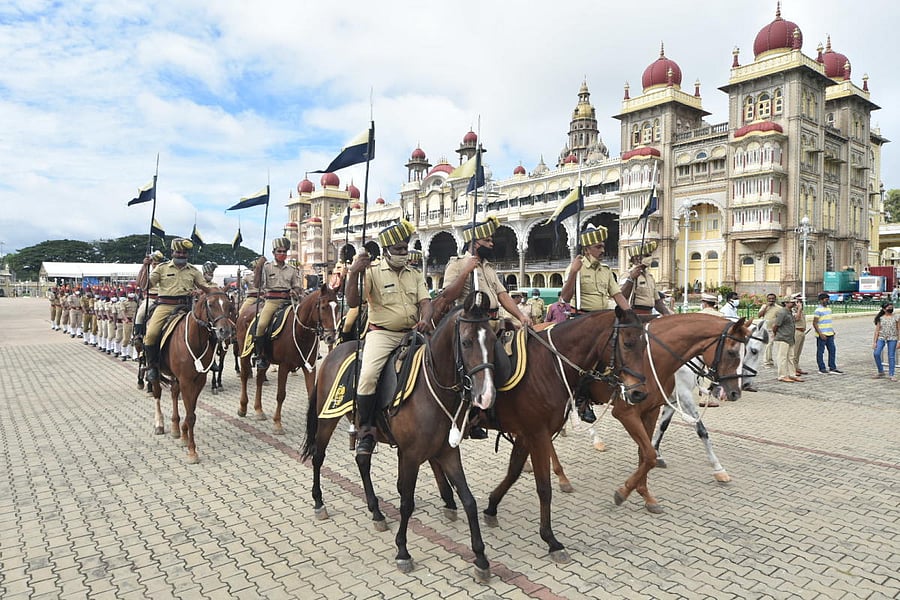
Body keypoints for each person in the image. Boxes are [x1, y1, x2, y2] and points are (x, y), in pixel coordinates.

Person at [346, 219, 432, 455]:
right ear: (386, 252)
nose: (403, 253)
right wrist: (354, 272)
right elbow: (353, 302)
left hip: (413, 333)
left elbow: (426, 302)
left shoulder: (414, 274)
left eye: (405, 249)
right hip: (382, 335)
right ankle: (366, 430)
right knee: (368, 376)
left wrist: (425, 318)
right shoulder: (371, 273)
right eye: (398, 250)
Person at [560, 224, 631, 423]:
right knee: (584, 363)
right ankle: (582, 401)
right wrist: (574, 272)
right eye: (598, 247)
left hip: (603, 321)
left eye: (602, 246)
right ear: (587, 248)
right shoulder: (577, 267)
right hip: (581, 320)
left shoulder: (606, 271)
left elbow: (617, 295)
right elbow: (565, 297)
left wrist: (630, 315)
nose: (602, 250)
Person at [442, 215, 532, 331]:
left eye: (491, 240)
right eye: (487, 240)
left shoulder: (488, 267)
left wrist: (521, 316)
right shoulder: (457, 264)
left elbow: (502, 295)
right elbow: (448, 297)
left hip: (494, 323)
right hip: (473, 326)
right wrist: (465, 272)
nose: (491, 244)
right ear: (474, 243)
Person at [142, 238, 213, 383]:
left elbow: (205, 287)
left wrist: (200, 292)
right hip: (165, 306)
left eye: (184, 252)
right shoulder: (162, 268)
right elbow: (145, 285)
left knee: (210, 329)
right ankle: (152, 366)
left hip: (188, 307)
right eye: (179, 252)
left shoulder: (193, 271)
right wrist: (144, 267)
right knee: (151, 334)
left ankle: (211, 360)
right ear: (172, 252)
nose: (181, 255)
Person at [253, 237, 304, 370]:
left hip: (289, 301)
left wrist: (295, 291)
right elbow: (257, 284)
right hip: (272, 302)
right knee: (261, 325)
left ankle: (304, 352)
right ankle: (260, 355)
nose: (282, 254)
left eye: (285, 252)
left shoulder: (292, 269)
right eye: (279, 251)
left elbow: (297, 286)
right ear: (274, 252)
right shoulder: (267, 267)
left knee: (304, 320)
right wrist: (258, 267)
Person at [619, 241, 672, 316]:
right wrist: (631, 279)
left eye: (649, 255)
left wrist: (667, 313)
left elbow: (657, 301)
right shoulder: (627, 275)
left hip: (649, 314)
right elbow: (622, 297)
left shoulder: (650, 277)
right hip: (634, 315)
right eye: (646, 255)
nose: (650, 258)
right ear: (636, 258)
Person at [772, 296, 802, 383]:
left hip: (790, 338)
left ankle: (792, 374)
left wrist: (799, 309)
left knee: (790, 357)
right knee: (782, 357)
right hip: (782, 337)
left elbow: (797, 319)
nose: (793, 304)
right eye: (791, 302)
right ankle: (782, 375)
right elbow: (776, 325)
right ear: (785, 303)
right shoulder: (782, 312)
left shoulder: (790, 312)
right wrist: (775, 335)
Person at [135, 250, 165, 335]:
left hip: (164, 299)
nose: (156, 266)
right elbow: (138, 283)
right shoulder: (148, 273)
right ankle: (138, 335)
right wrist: (144, 266)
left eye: (158, 264)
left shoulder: (165, 272)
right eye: (154, 264)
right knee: (140, 314)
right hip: (151, 299)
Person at [813, 292, 842, 374]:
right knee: (820, 351)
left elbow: (828, 321)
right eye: (826, 299)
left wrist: (832, 330)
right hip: (822, 334)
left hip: (830, 334)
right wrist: (820, 334)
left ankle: (832, 367)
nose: (827, 301)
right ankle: (821, 368)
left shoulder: (829, 310)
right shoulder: (818, 310)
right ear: (821, 300)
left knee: (832, 350)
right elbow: (815, 323)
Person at [872, 302, 899, 380]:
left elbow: (898, 329)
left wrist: (899, 341)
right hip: (881, 337)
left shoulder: (896, 318)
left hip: (893, 338)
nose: (890, 309)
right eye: (888, 308)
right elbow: (877, 330)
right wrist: (874, 342)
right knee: (876, 353)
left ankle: (892, 374)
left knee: (891, 356)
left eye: (891, 307)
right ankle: (881, 371)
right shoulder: (881, 318)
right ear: (884, 309)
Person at [757, 293, 779, 368]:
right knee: (768, 345)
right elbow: (759, 315)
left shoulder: (778, 308)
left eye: (773, 299)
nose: (771, 300)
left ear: (775, 299)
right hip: (765, 329)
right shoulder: (764, 307)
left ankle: (769, 361)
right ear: (767, 299)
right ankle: (767, 362)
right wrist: (766, 307)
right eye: (769, 299)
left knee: (770, 345)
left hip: (773, 329)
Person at [790, 293, 809, 378]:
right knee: (794, 352)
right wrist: (799, 309)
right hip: (796, 331)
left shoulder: (800, 309)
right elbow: (796, 319)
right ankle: (792, 369)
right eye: (799, 300)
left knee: (798, 352)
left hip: (802, 332)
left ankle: (797, 367)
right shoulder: (793, 310)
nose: (800, 302)